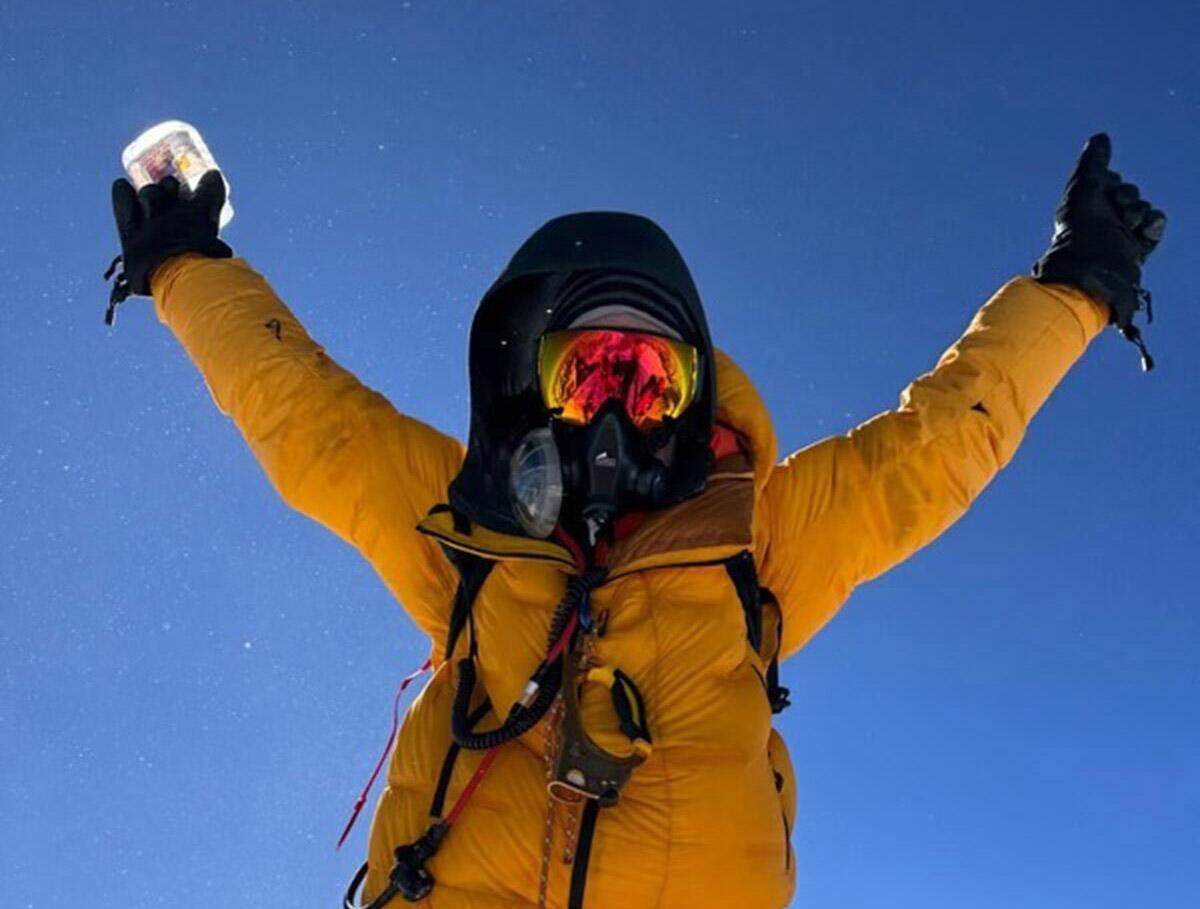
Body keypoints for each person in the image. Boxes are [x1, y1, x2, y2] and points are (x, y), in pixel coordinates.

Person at [105, 134, 1165, 908]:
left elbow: (933, 446)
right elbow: (309, 417)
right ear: (533, 386)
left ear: (697, 398)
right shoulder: (466, 530)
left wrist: (1073, 289)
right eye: (587, 372)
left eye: (649, 378)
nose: (614, 411)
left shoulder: (761, 536)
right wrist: (187, 266)